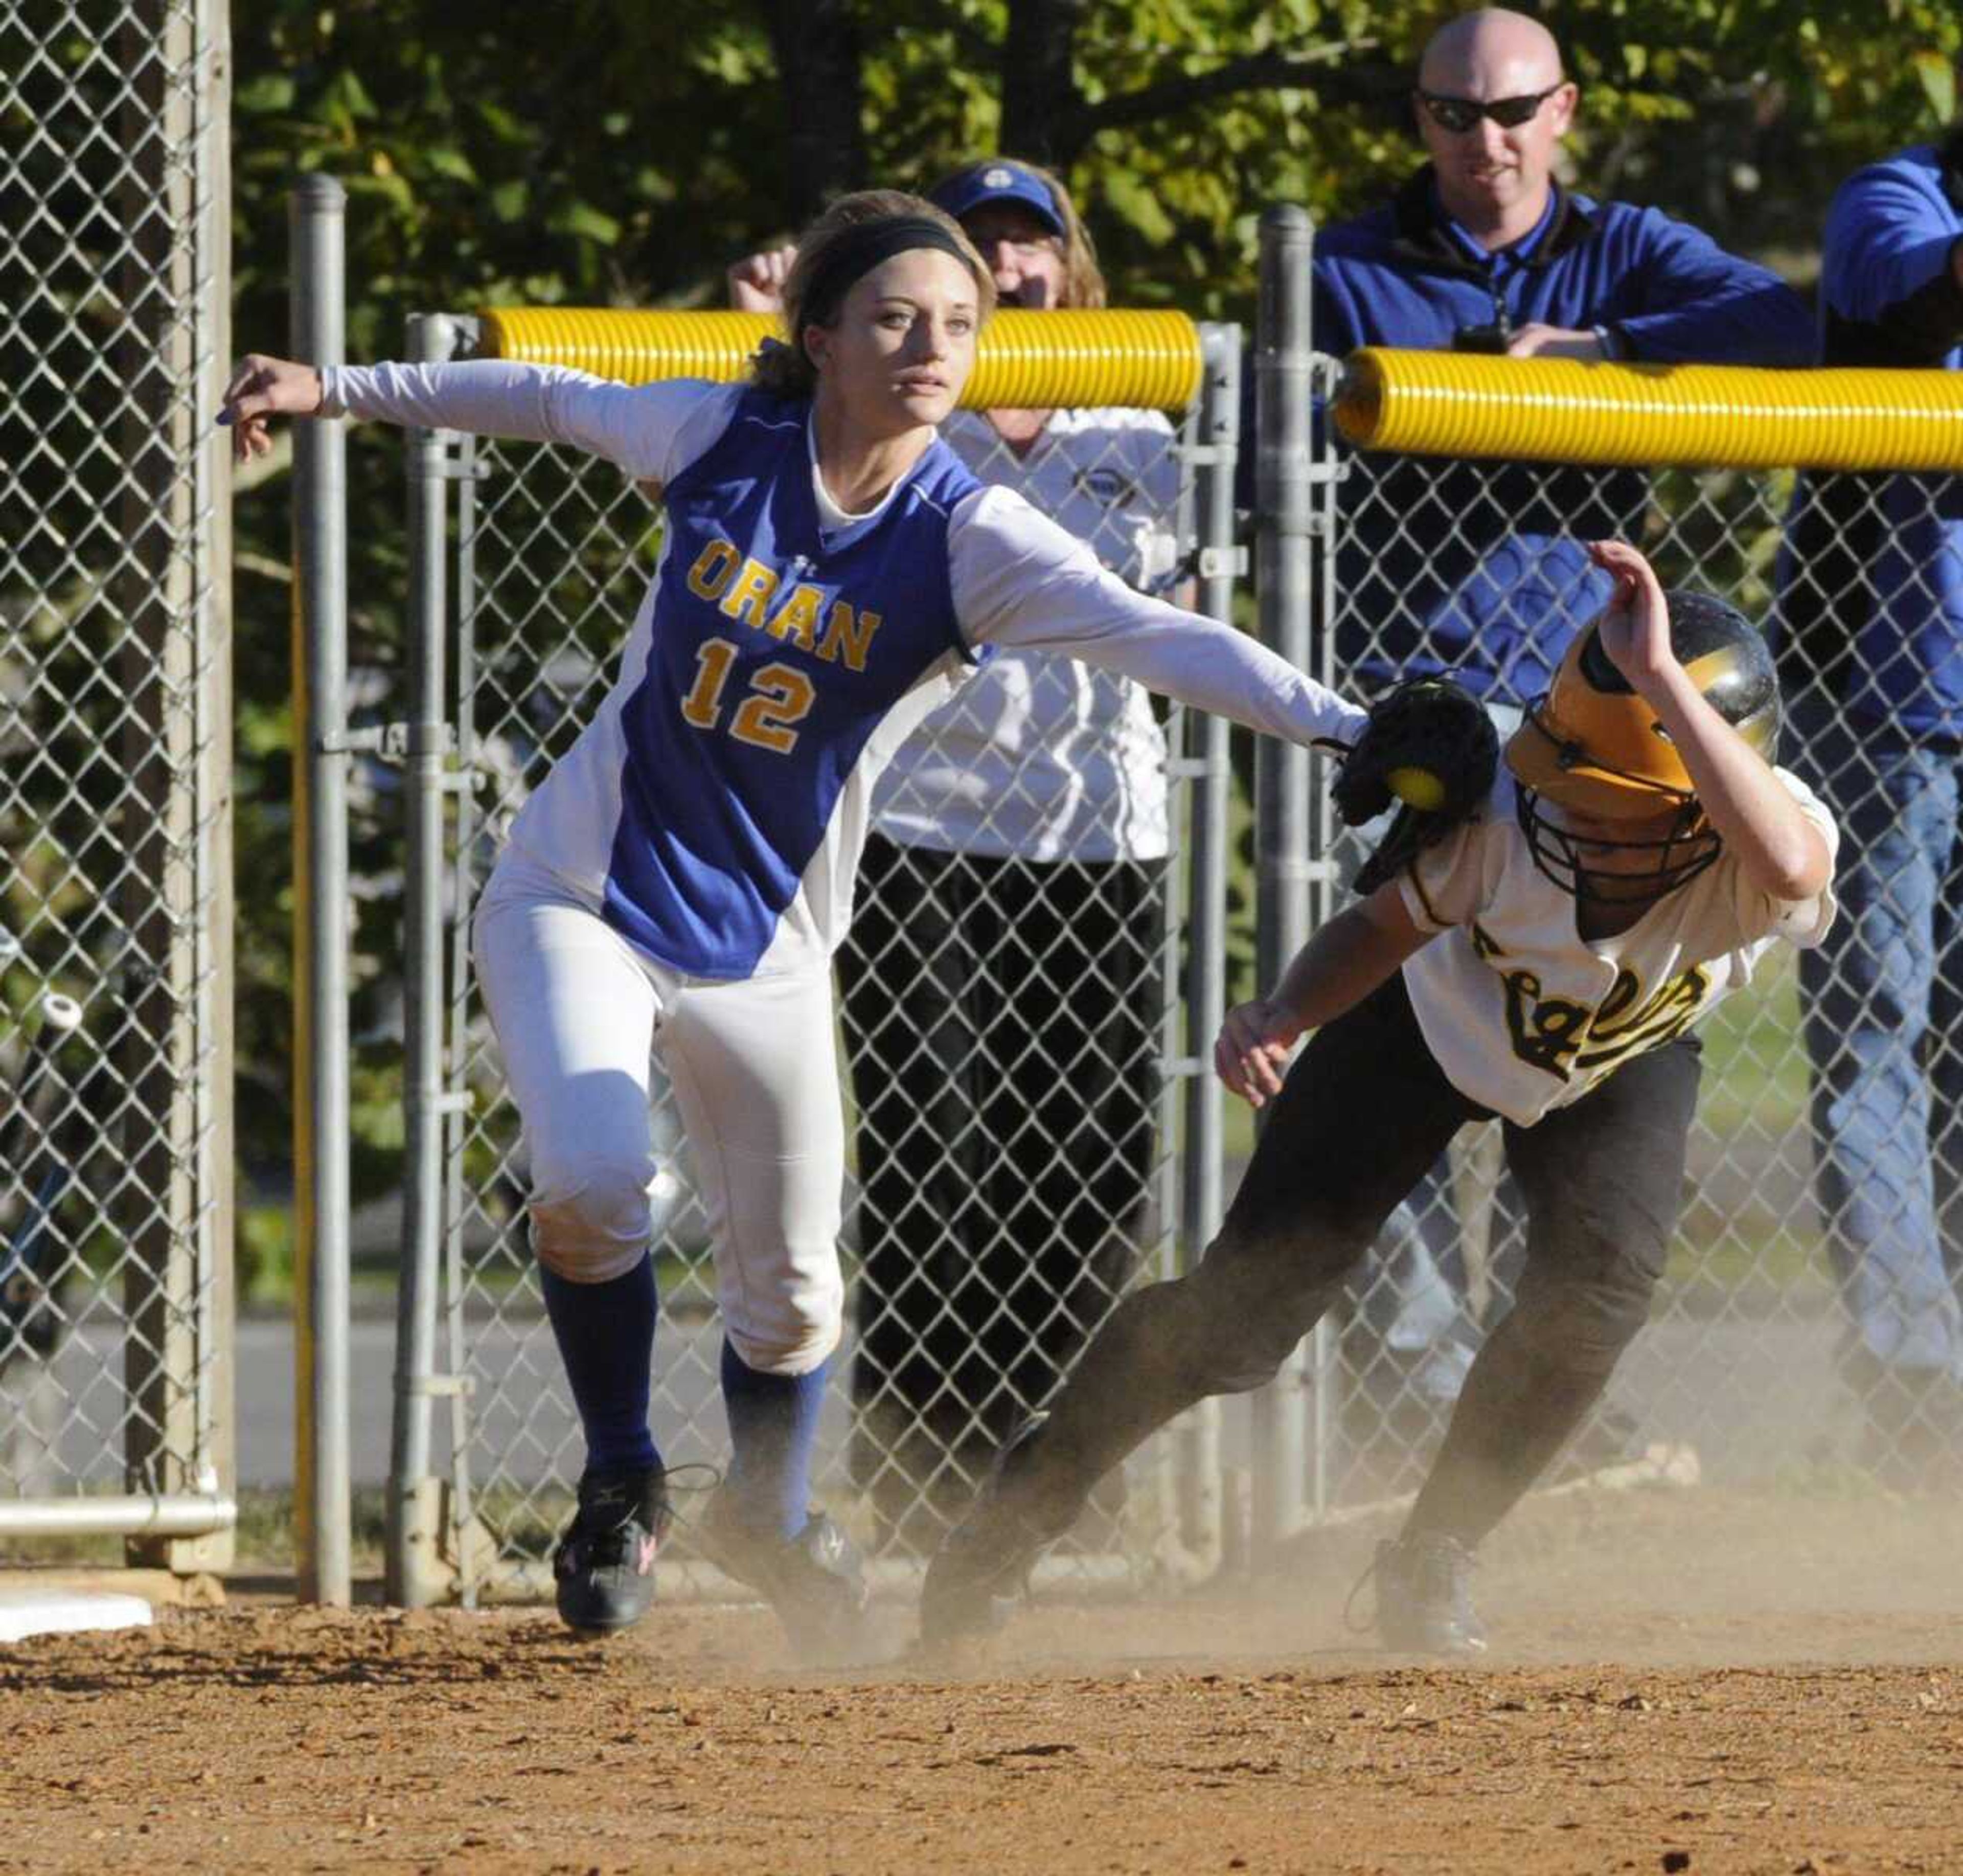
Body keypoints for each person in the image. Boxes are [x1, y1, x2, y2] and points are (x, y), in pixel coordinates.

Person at [221, 190, 1369, 1655]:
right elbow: (545, 395)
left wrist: (1346, 722)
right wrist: (337, 388)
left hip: (765, 945)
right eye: (893, 318)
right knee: (589, 1177)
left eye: (958, 323)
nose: (931, 346)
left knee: (795, 1292)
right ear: (818, 335)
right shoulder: (726, 438)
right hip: (584, 890)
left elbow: (1165, 637)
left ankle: (764, 1509)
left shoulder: (969, 535)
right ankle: (623, 1470)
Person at [922, 540, 1837, 1655]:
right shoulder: (1500, 816)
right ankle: (1019, 1509)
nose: (1578, 815)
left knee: (1594, 1291)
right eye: (1568, 787)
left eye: (1623, 808)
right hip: (1423, 1028)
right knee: (1241, 1321)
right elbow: (1378, 930)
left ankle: (1433, 1555)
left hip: (1619, 1055)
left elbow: (1791, 868)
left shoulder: (1765, 843)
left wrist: (1661, 686)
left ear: (1706, 806)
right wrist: (1284, 1014)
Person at [1297, 5, 1818, 1449]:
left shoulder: (1625, 247)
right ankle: (1405, 1381)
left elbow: (1785, 318)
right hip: (1422, 698)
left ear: (1565, 108)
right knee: (1401, 1040)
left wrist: (1603, 346)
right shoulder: (1347, 263)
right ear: (1419, 119)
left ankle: (1527, 1401)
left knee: (1579, 1048)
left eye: (1515, 111)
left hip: (1598, 707)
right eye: (1455, 114)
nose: (1488, 142)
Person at [731, 159, 1181, 1541]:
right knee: (937, 1153)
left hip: (1106, 835)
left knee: (1098, 1157)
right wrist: (766, 347)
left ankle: (1057, 1470)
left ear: (1069, 267)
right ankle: (924, 1468)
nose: (1010, 270)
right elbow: (763, 495)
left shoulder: (1147, 418)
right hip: (922, 824)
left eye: (1031, 247)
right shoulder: (897, 415)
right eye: (976, 252)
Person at [1777, 121, 1963, 1477]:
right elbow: (1913, 296)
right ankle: (1916, 1380)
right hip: (1892, 700)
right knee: (1876, 1040)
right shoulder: (1893, 201)